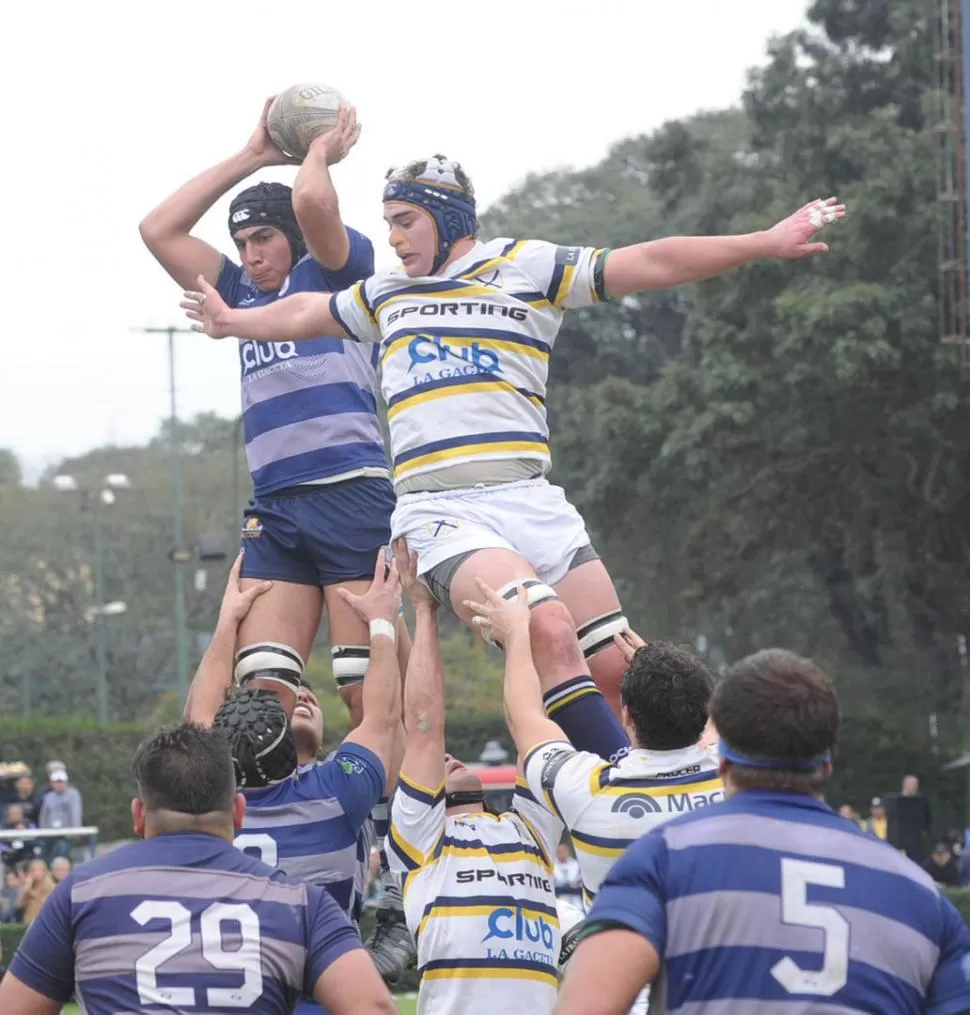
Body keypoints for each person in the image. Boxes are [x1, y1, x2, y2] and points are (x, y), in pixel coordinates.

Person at [183, 154, 845, 765]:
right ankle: (627, 797)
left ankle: (699, 787)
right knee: (546, 626)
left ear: (446, 219)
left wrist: (763, 241)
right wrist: (232, 319)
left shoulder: (526, 267)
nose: (394, 238)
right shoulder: (387, 292)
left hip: (531, 500)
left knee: (620, 666)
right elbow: (304, 311)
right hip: (442, 514)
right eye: (388, 224)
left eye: (406, 221)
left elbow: (655, 261)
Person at [140, 98, 395, 724]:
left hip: (350, 494)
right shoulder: (236, 294)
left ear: (295, 238)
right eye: (242, 243)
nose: (251, 254)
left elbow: (314, 204)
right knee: (261, 699)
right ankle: (282, 817)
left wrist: (316, 152)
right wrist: (252, 156)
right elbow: (157, 231)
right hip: (276, 507)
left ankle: (399, 815)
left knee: (364, 693)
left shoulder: (339, 272)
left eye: (264, 238)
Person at [555, 649, 970, 1015]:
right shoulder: (919, 895)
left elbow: (589, 1006)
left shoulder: (661, 861)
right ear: (827, 765)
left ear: (720, 763)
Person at [0, 722, 397, 1015]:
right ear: (239, 812)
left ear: (139, 815)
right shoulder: (302, 904)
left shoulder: (82, 892)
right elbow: (373, 1009)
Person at [186, 550, 410, 1007]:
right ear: (286, 746)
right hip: (315, 992)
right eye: (289, 701)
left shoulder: (210, 797)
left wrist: (227, 623)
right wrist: (383, 625)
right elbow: (383, 716)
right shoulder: (336, 793)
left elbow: (199, 717)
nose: (302, 694)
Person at [384, 540, 563, 1015]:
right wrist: (422, 609)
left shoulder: (531, 832)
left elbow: (531, 727)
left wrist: (517, 635)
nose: (449, 757)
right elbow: (423, 728)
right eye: (439, 761)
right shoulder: (420, 840)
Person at [465, 582, 721, 911]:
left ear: (626, 716)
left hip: (624, 960)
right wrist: (661, 669)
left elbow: (526, 717)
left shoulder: (590, 792)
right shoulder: (732, 779)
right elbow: (713, 726)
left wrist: (516, 637)